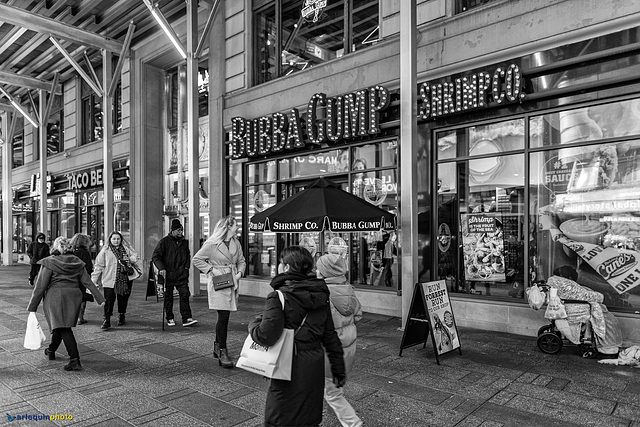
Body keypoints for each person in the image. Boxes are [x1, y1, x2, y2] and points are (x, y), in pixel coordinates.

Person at [249, 246, 345, 427]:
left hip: (287, 364)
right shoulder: (320, 294)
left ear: (286, 267)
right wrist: (338, 368)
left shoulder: (279, 296)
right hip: (313, 363)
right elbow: (330, 335)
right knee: (309, 416)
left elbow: (265, 335)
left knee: (280, 417)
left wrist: (253, 323)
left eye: (280, 262)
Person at [27, 236, 105, 371]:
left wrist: (32, 307)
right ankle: (51, 350)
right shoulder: (78, 262)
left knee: (63, 327)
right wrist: (100, 298)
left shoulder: (50, 262)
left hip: (55, 297)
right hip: (74, 297)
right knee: (61, 325)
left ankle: (75, 359)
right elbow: (87, 282)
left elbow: (40, 286)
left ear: (56, 247)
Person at [316, 253, 363, 427]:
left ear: (325, 272)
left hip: (329, 351)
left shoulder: (323, 293)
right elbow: (358, 315)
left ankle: (353, 423)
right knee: (327, 387)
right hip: (347, 347)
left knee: (333, 394)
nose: (316, 271)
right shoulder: (348, 289)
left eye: (319, 268)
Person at [193, 215, 246, 368]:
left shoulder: (236, 242)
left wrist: (239, 274)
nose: (237, 226)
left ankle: (217, 346)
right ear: (228, 226)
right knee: (223, 315)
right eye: (235, 224)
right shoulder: (212, 244)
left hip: (233, 280)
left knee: (225, 315)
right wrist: (211, 270)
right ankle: (222, 350)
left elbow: (241, 261)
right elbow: (197, 259)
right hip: (219, 281)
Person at [152, 219, 197, 327]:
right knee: (168, 297)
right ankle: (170, 317)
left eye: (181, 230)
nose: (180, 232)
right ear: (172, 230)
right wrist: (161, 268)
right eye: (178, 230)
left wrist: (186, 267)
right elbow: (156, 256)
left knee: (185, 295)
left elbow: (187, 255)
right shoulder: (164, 242)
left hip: (181, 274)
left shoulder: (184, 242)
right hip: (168, 274)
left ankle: (186, 318)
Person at [92, 231, 139, 329]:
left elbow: (135, 256)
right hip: (109, 279)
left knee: (123, 299)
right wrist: (93, 280)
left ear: (121, 239)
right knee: (109, 300)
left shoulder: (126, 249)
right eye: (114, 239)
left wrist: (130, 259)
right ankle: (107, 319)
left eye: (118, 239)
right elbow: (98, 266)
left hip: (124, 279)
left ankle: (122, 315)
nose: (116, 241)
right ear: (110, 239)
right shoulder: (105, 250)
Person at [70, 233, 93, 324]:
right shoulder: (85, 252)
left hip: (71, 278)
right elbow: (88, 267)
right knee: (82, 297)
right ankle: (80, 317)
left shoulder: (71, 251)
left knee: (73, 298)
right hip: (81, 278)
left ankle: (72, 317)